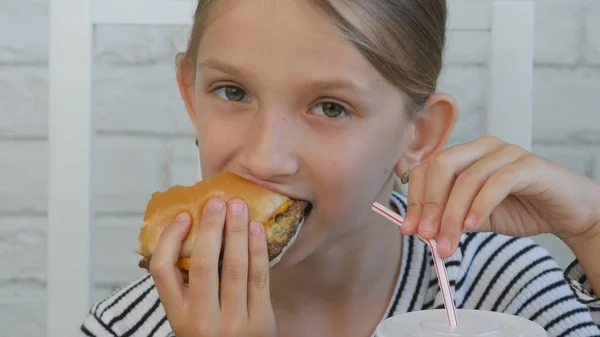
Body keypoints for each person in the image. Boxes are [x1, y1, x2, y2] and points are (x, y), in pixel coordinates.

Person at [80, 0, 600, 336]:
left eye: (330, 107)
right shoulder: (135, 324)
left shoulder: (503, 292)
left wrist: (593, 230)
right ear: (190, 97)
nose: (266, 157)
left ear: (417, 135)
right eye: (232, 92)